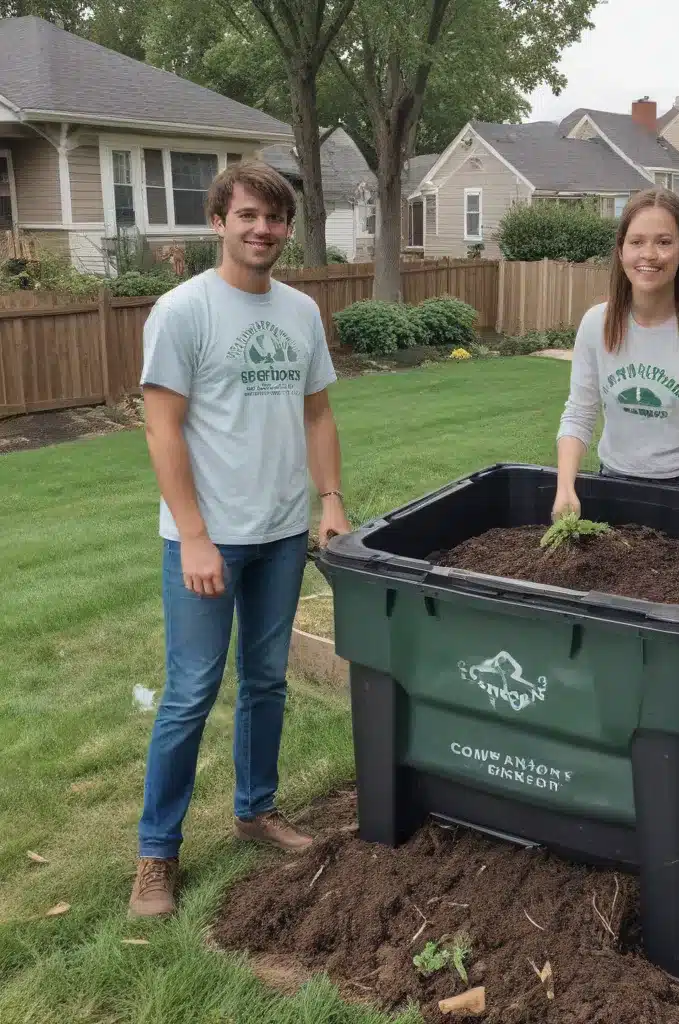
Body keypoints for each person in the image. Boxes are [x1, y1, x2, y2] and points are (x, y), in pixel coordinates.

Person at [128, 161, 351, 919]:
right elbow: (161, 428)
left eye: (276, 218)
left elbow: (317, 414)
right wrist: (193, 536)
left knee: (265, 682)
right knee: (191, 691)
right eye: (249, 215)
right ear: (218, 220)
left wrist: (329, 500)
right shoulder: (183, 311)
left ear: (288, 228)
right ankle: (156, 854)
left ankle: (256, 810)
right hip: (207, 539)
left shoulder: (299, 313)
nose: (263, 229)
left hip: (284, 531)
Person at [554, 187, 679, 592]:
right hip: (613, 484)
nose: (649, 254)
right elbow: (579, 412)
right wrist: (566, 487)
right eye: (636, 241)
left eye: (664, 242)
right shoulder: (596, 324)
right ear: (621, 251)